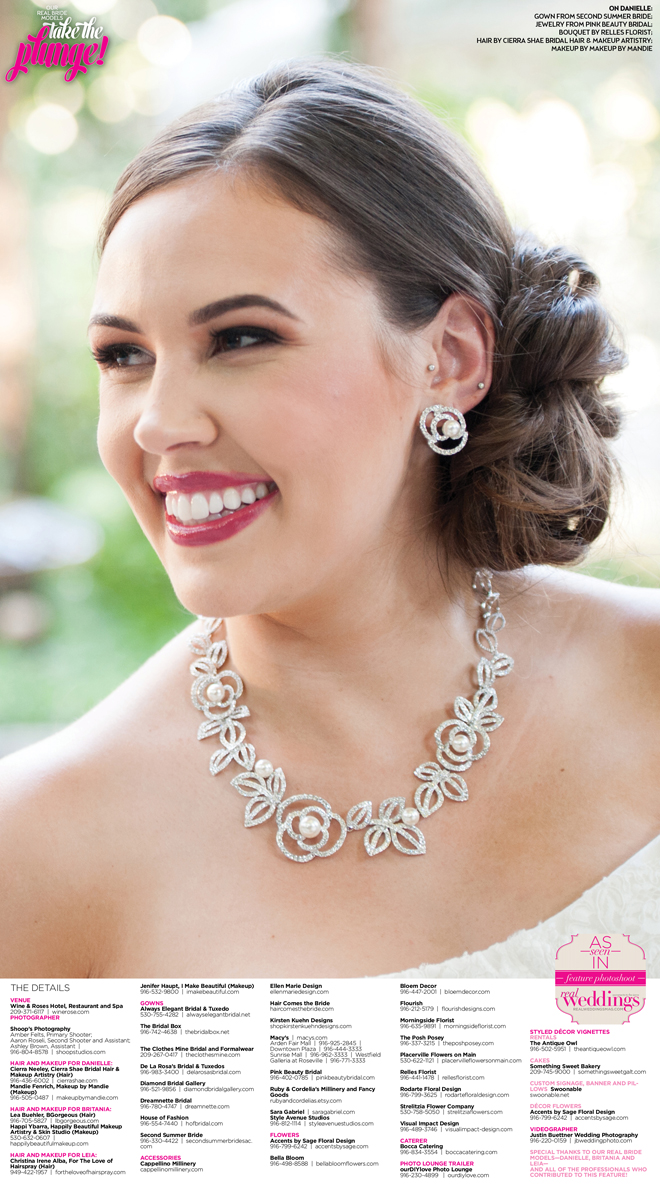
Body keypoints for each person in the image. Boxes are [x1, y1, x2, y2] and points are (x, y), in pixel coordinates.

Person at [1, 60, 659, 979]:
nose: (157, 423)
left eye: (240, 338)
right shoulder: (37, 849)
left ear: (451, 358)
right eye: (123, 355)